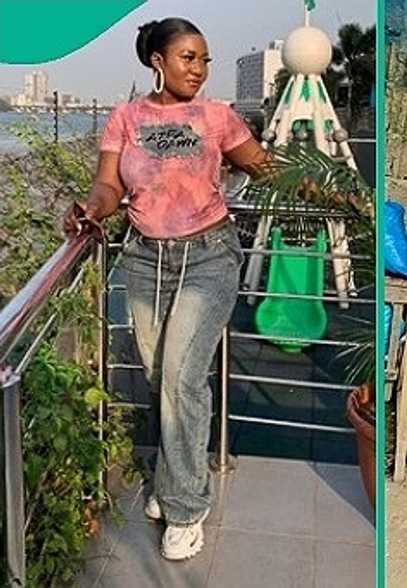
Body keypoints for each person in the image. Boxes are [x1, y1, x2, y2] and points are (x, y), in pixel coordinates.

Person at [64, 17, 270, 561]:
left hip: (208, 257)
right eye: (188, 57)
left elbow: (263, 165)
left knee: (181, 379)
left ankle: (184, 505)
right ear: (158, 60)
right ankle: (174, 474)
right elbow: (109, 185)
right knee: (161, 377)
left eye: (204, 60)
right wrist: (92, 210)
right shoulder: (126, 118)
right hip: (143, 259)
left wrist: (332, 188)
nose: (198, 69)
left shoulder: (218, 116)